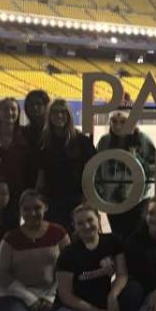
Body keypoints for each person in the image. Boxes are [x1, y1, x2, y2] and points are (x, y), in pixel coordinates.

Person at [54, 204, 142, 311]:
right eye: (80, 223)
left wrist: (113, 295)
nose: (87, 226)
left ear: (99, 220)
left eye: (90, 220)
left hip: (103, 300)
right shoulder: (68, 254)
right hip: (75, 307)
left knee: (134, 290)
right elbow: (65, 295)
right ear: (74, 226)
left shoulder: (113, 242)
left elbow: (122, 275)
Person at [0, 189, 69, 311]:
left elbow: (67, 268)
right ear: (20, 211)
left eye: (37, 208)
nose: (32, 213)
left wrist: (50, 296)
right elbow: (2, 275)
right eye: (26, 209)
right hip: (15, 294)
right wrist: (30, 299)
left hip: (47, 294)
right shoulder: (11, 238)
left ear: (46, 208)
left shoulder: (58, 233)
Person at [95, 109, 156, 241]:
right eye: (113, 121)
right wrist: (100, 192)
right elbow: (97, 168)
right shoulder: (104, 141)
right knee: (118, 236)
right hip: (112, 200)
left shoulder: (143, 140)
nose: (117, 126)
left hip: (138, 199)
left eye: (123, 121)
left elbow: (155, 167)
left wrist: (138, 162)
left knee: (136, 237)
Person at [37, 99, 96, 231]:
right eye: (55, 112)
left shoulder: (82, 141)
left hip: (77, 200)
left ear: (69, 115)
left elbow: (93, 171)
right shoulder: (43, 142)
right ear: (49, 116)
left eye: (63, 112)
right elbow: (41, 175)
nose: (59, 116)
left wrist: (88, 200)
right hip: (52, 202)